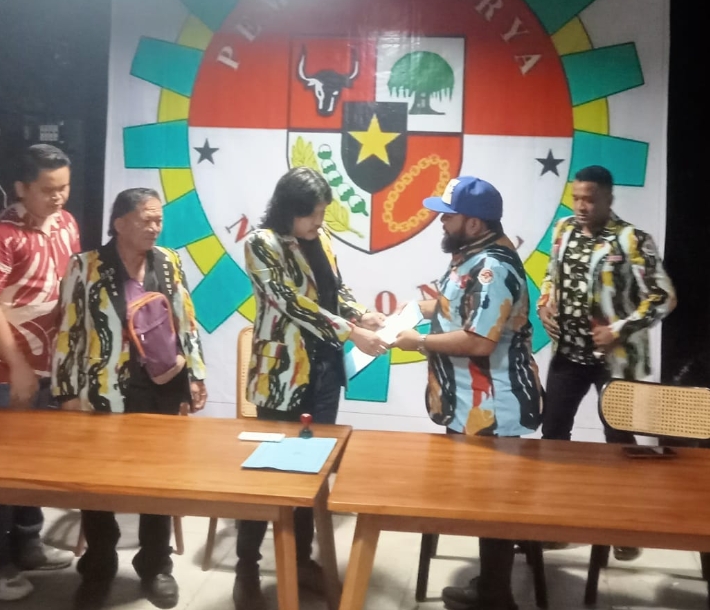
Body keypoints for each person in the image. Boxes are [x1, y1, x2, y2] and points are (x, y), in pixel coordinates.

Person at [234, 167, 389, 610]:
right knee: (267, 475)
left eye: (322, 214)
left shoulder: (321, 239)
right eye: (313, 215)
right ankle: (247, 568)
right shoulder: (261, 243)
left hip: (323, 372)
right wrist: (351, 331)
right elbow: (290, 301)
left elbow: (334, 289)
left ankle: (301, 561)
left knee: (310, 472)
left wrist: (361, 314)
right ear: (290, 210)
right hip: (283, 376)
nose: (319, 223)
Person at [52, 188, 207, 610]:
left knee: (158, 481)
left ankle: (156, 565)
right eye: (146, 220)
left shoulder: (168, 261)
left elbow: (186, 321)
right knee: (97, 482)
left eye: (159, 220)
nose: (155, 228)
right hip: (103, 389)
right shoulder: (85, 265)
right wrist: (66, 392)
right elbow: (69, 331)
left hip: (163, 385)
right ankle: (99, 564)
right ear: (119, 223)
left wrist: (196, 376)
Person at [394, 176, 542, 610]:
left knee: (493, 508)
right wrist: (402, 314)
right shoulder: (472, 256)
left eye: (449, 215)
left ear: (474, 223)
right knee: (484, 504)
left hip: (493, 408)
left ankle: (497, 596)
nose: (441, 222)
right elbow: (454, 307)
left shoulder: (494, 268)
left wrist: (418, 341)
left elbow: (479, 341)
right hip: (470, 405)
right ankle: (491, 586)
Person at [537, 164, 676, 561]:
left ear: (608, 199)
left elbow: (664, 297)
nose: (581, 206)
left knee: (619, 440)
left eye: (590, 199)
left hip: (615, 360)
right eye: (577, 198)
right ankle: (555, 522)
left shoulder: (632, 239)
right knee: (553, 434)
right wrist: (545, 301)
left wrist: (619, 328)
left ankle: (626, 528)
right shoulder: (562, 230)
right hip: (568, 353)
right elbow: (551, 274)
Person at [0, 144, 78, 601]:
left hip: (52, 366)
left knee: (31, 464)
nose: (58, 197)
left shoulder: (67, 224)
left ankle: (28, 544)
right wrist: (17, 366)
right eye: (48, 189)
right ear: (21, 187)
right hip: (5, 371)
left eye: (64, 187)